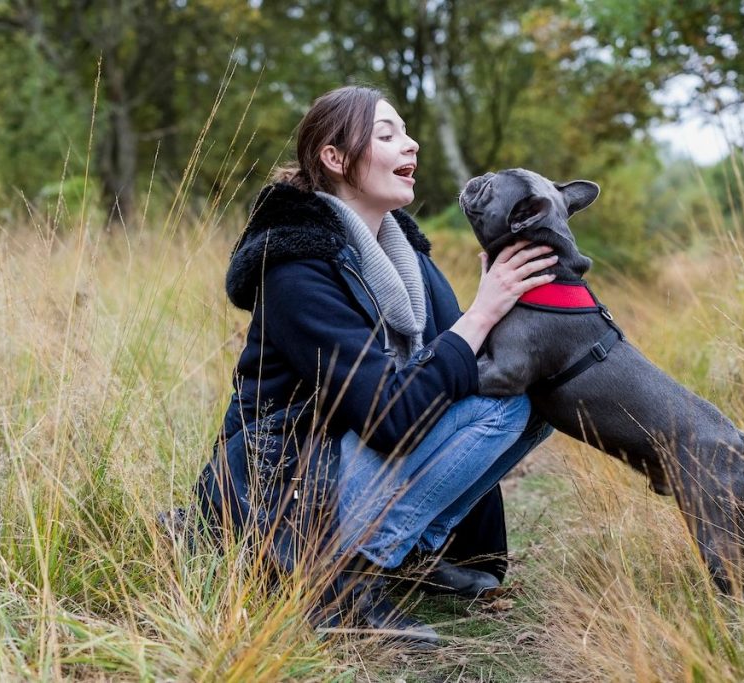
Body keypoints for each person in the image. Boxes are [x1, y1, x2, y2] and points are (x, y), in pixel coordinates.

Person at [194, 84, 556, 648]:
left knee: (537, 394)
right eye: (386, 135)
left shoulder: (406, 258)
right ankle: (336, 587)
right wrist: (481, 313)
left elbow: (458, 367)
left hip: (347, 459)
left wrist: (518, 299)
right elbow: (389, 414)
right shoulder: (295, 268)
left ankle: (409, 555)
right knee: (502, 405)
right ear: (335, 159)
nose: (409, 144)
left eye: (406, 132)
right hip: (288, 487)